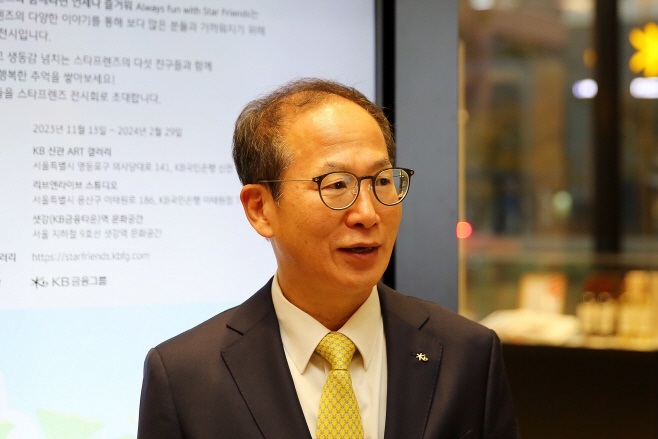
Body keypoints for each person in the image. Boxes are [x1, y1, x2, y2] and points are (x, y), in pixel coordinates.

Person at [137, 78, 519, 439]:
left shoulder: (467, 355)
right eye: (336, 185)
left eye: (382, 181)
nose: (367, 213)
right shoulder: (185, 377)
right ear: (260, 209)